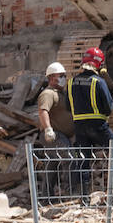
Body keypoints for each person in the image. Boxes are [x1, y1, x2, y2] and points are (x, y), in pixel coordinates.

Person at [67, 46, 113, 201]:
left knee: (83, 161)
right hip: (99, 127)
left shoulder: (70, 83)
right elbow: (108, 108)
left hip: (80, 129)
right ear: (99, 64)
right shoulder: (99, 82)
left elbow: (68, 107)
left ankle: (84, 199)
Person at [36, 61, 74, 197]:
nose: (64, 78)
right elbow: (43, 111)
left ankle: (47, 196)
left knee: (52, 164)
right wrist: (48, 129)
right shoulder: (48, 94)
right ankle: (70, 192)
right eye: (61, 75)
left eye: (64, 75)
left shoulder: (60, 93)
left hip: (62, 135)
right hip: (54, 135)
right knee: (69, 158)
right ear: (52, 77)